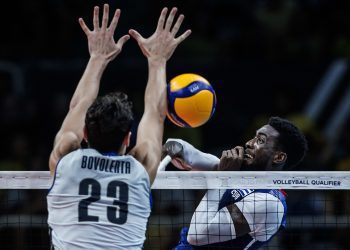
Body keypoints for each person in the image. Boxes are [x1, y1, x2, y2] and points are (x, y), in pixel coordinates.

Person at [46, 4, 191, 249]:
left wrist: (97, 58)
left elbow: (78, 105)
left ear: (84, 133)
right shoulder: (141, 168)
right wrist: (157, 59)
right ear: (128, 138)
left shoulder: (64, 159)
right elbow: (156, 114)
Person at [163, 116, 308, 249]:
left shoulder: (270, 202)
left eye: (260, 140)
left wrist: (222, 178)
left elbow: (197, 235)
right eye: (254, 137)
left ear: (279, 157)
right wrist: (172, 147)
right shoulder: (236, 173)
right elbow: (190, 155)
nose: (249, 143)